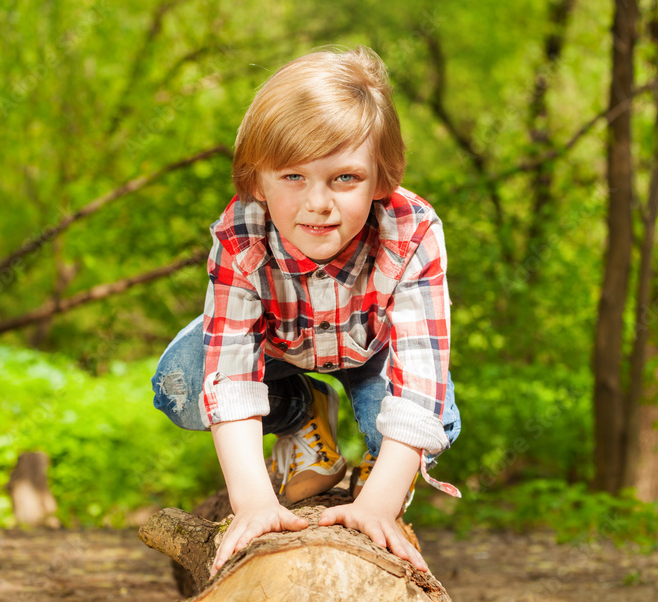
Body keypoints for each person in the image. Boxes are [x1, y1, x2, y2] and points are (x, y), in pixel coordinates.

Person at [150, 46, 461, 576]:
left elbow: (421, 382)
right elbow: (229, 372)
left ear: (382, 178)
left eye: (345, 178)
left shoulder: (412, 231)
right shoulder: (241, 233)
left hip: (372, 348)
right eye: (292, 177)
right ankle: (301, 412)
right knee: (182, 382)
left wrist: (378, 507)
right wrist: (253, 505)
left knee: (434, 421)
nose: (318, 203)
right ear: (256, 180)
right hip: (277, 350)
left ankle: (375, 475)